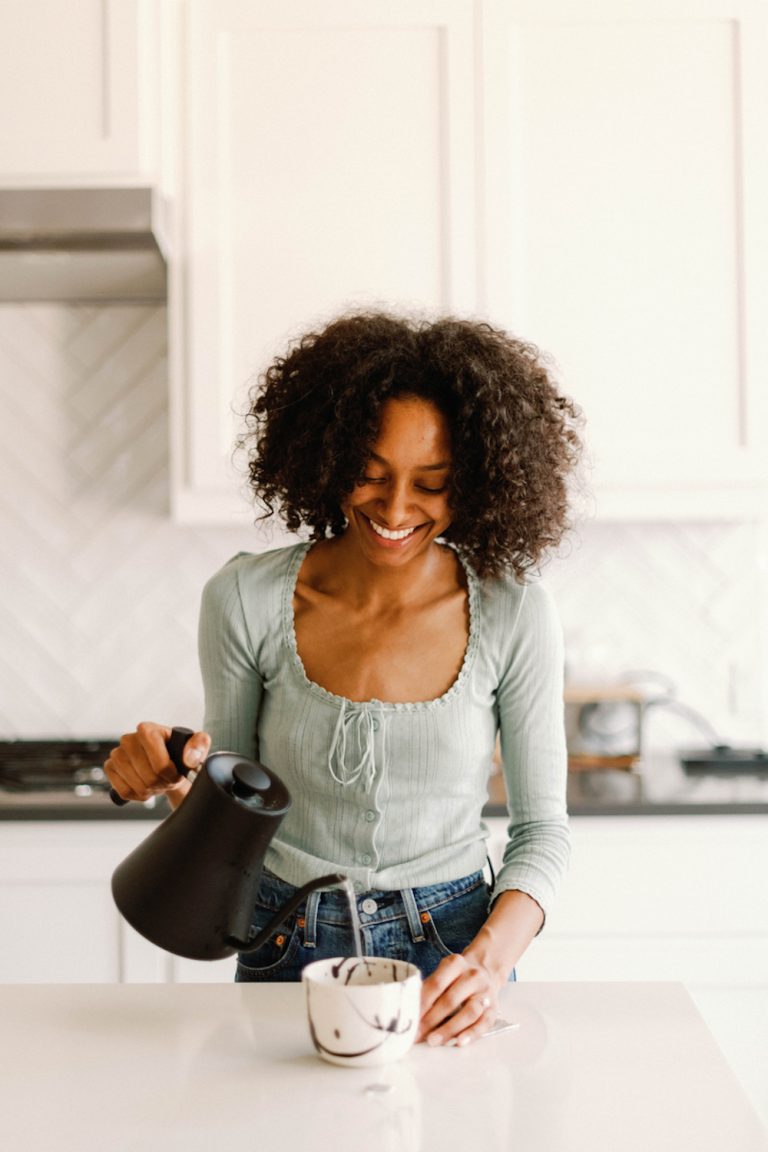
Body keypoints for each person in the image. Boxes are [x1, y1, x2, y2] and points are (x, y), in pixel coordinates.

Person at [105, 310, 582, 1048]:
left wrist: (490, 961)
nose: (394, 509)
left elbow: (543, 831)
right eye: (370, 473)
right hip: (284, 944)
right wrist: (162, 774)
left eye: (433, 483)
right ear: (327, 457)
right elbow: (230, 816)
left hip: (454, 958)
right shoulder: (246, 600)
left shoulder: (515, 613)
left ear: (477, 482)